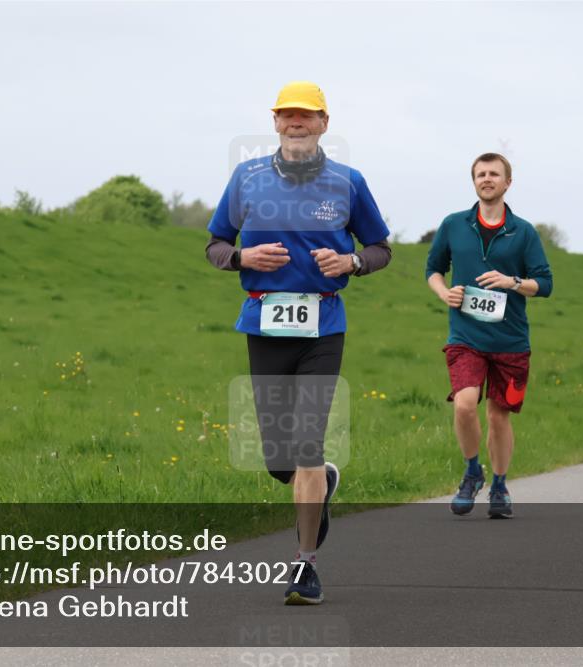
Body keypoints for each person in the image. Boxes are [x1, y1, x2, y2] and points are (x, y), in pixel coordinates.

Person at [205, 81, 391, 603]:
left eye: (306, 116)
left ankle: (305, 567)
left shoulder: (348, 182)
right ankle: (321, 482)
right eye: (287, 115)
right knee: (278, 460)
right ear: (275, 123)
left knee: (307, 443)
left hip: (323, 328)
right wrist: (242, 258)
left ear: (324, 123)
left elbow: (380, 249)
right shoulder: (247, 178)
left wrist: (353, 262)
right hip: (264, 326)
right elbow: (215, 244)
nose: (295, 123)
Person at [425, 153, 553, 519]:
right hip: (465, 336)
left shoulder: (524, 231)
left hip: (511, 342)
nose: (487, 179)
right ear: (474, 181)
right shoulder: (454, 225)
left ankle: (499, 485)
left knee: (499, 417)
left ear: (507, 182)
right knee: (465, 404)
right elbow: (434, 269)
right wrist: (443, 292)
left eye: (494, 174)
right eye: (480, 174)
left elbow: (544, 284)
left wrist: (512, 282)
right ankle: (471, 471)